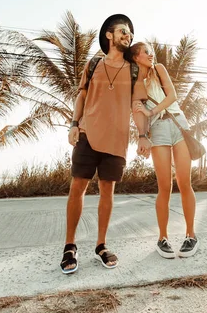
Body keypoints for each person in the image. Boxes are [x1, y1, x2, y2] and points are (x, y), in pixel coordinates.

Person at [60, 14, 151, 275]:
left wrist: (143, 135)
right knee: (77, 188)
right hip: (88, 134)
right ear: (109, 35)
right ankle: (69, 246)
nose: (128, 36)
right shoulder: (94, 64)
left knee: (107, 193)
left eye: (131, 34)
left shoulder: (134, 70)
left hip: (117, 140)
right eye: (123, 31)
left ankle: (101, 245)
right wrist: (74, 124)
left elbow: (138, 106)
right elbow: (82, 95)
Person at [127, 42, 199, 259]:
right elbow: (137, 111)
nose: (151, 54)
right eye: (146, 51)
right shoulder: (134, 83)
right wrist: (143, 136)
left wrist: (152, 111)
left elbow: (172, 96)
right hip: (158, 131)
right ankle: (163, 238)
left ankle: (190, 235)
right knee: (164, 187)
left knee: (184, 182)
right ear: (135, 56)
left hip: (178, 124)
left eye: (151, 51)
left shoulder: (159, 69)